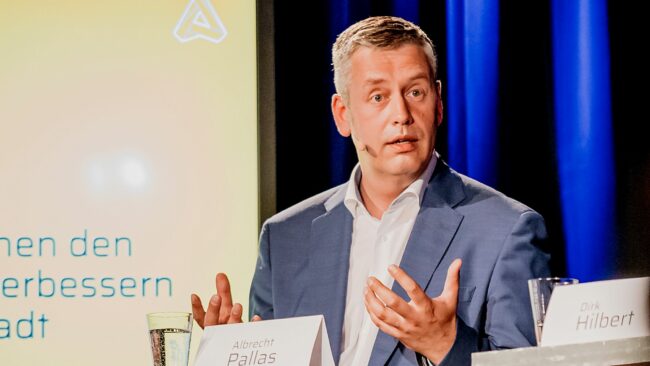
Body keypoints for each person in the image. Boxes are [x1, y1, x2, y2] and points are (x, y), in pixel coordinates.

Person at [191, 16, 550, 366]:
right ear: (343, 113)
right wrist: (236, 354)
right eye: (378, 97)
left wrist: (446, 344)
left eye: (415, 92)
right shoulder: (284, 237)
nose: (402, 114)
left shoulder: (505, 229)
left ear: (438, 103)